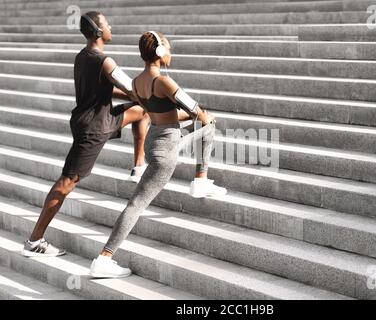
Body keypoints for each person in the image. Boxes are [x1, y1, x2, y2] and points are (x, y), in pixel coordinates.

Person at [89, 31, 227, 278]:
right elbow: (198, 113)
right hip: (166, 149)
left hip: (157, 138)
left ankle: (201, 180)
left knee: (136, 203)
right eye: (169, 49)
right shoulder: (164, 82)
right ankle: (104, 257)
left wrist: (194, 115)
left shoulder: (137, 82)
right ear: (160, 52)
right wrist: (206, 116)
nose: (171, 54)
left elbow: (163, 113)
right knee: (136, 204)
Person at [22, 12, 151, 257]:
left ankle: (138, 166)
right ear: (99, 32)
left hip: (100, 118)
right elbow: (131, 88)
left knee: (140, 111)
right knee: (66, 183)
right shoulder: (106, 61)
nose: (111, 26)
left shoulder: (82, 56)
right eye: (107, 24)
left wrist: (141, 99)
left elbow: (107, 91)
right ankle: (34, 240)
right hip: (94, 127)